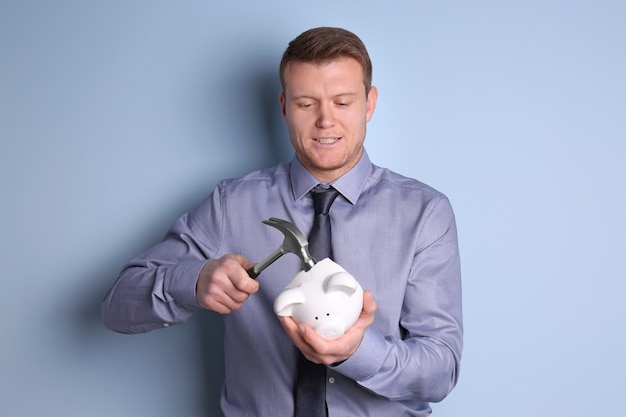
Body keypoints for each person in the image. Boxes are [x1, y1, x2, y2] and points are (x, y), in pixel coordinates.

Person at [102, 26, 463, 416]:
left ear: (369, 104)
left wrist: (358, 352)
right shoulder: (231, 205)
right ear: (284, 106)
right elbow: (117, 307)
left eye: (343, 102)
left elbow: (441, 371)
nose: (326, 121)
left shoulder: (424, 213)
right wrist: (194, 281)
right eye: (307, 104)